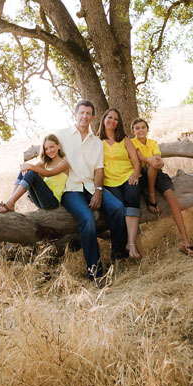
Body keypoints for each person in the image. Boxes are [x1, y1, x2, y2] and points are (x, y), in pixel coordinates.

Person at [58, 99, 129, 282]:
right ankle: (96, 272)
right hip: (70, 189)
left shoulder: (96, 143)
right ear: (75, 115)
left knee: (118, 207)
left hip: (91, 186)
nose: (84, 116)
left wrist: (98, 191)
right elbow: (46, 153)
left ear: (93, 117)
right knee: (87, 218)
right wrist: (28, 168)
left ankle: (118, 256)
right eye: (81, 113)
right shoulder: (61, 136)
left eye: (88, 114)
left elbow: (99, 169)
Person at [130, 117, 193, 256]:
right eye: (137, 128)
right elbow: (139, 156)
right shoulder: (132, 143)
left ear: (147, 130)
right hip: (142, 177)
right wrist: (152, 161)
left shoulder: (153, 143)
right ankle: (151, 194)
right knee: (150, 164)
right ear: (133, 131)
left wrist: (158, 163)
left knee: (173, 201)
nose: (140, 130)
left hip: (157, 174)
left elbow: (158, 158)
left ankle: (185, 241)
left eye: (143, 127)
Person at [97, 108, 144, 259]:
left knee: (132, 199)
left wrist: (136, 174)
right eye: (109, 117)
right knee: (120, 208)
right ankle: (122, 252)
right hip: (109, 182)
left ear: (119, 123)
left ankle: (131, 243)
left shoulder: (124, 139)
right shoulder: (97, 142)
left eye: (116, 119)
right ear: (104, 119)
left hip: (128, 177)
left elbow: (136, 162)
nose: (112, 121)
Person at [0, 134, 69, 213]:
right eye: (46, 149)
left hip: (52, 202)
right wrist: (26, 169)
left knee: (31, 171)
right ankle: (11, 201)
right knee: (25, 171)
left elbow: (49, 173)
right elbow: (27, 173)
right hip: (40, 201)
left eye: (51, 147)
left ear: (59, 146)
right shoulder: (45, 163)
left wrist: (29, 166)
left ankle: (10, 203)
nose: (49, 151)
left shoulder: (64, 164)